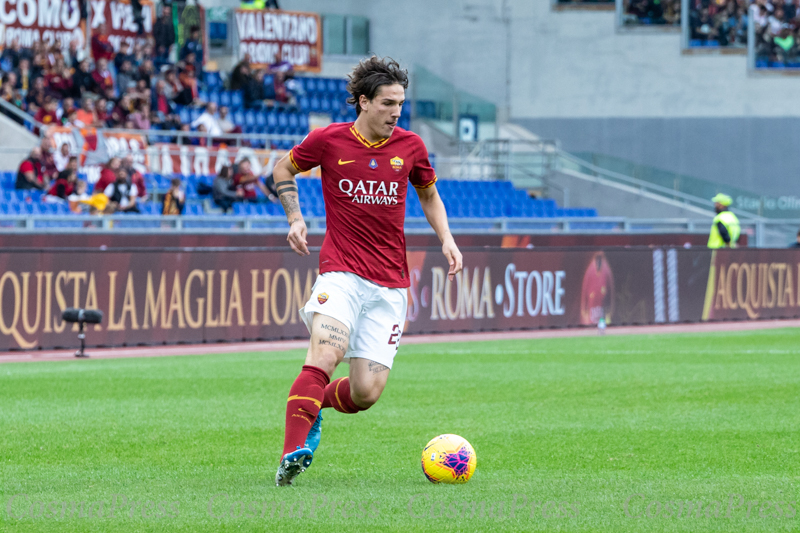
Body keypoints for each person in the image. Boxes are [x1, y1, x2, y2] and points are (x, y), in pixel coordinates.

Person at [271, 56, 463, 486]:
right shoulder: (328, 141)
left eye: (401, 103)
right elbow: (283, 168)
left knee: (365, 393)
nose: (397, 111)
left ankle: (313, 405)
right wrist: (295, 217)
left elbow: (429, 195)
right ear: (363, 101)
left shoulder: (411, 147)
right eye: (388, 103)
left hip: (390, 285)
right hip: (340, 274)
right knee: (323, 356)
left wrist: (446, 239)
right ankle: (291, 454)